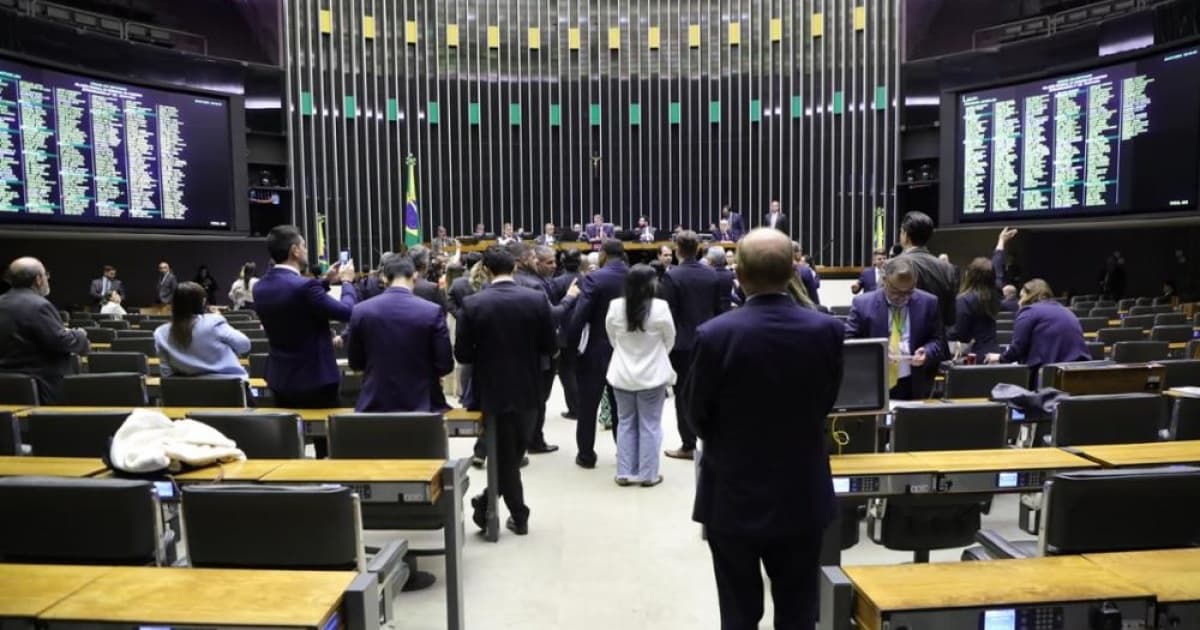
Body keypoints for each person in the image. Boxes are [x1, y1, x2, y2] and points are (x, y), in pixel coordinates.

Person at [684, 228, 844, 630]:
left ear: (738, 275)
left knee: (738, 611)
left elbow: (696, 416)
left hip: (732, 493)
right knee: (798, 609)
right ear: (793, 269)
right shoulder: (827, 330)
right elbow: (826, 400)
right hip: (801, 490)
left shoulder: (715, 335)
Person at [455, 245, 556, 537]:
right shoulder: (536, 299)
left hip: (491, 391)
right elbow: (549, 347)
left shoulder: (473, 304)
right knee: (513, 453)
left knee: (506, 455)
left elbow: (463, 355)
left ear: (485, 270)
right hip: (529, 388)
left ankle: (491, 502)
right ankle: (518, 515)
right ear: (514, 268)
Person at [253, 225, 358, 411]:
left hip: (279, 377)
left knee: (288, 435)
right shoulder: (305, 287)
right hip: (315, 379)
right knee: (325, 437)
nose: (306, 250)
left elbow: (291, 295)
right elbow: (347, 312)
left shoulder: (260, 286)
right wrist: (347, 282)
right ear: (295, 251)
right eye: (304, 246)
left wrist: (325, 281)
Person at [346, 255, 452, 412]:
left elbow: (355, 363)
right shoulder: (432, 311)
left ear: (383, 277)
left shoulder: (361, 311)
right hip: (423, 406)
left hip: (375, 405)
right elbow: (445, 365)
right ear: (414, 275)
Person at [606, 264, 675, 486]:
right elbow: (670, 339)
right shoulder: (661, 307)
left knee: (625, 422)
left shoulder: (615, 306)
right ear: (651, 283)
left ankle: (624, 472)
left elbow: (612, 338)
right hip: (652, 375)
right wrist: (654, 353)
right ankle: (648, 474)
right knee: (650, 424)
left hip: (621, 373)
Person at [845, 257, 946, 400]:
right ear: (885, 281)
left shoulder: (929, 302)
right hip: (875, 381)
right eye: (896, 291)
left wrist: (927, 352)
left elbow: (938, 340)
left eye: (909, 291)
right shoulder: (862, 304)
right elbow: (848, 342)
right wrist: (877, 352)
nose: (903, 297)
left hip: (913, 382)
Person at [658, 231, 721, 460]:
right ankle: (711, 439)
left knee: (684, 395)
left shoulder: (672, 276)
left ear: (677, 250)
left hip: (682, 344)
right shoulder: (711, 274)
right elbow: (717, 310)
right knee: (711, 391)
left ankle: (688, 444)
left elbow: (668, 314)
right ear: (698, 249)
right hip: (710, 340)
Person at [567, 239, 630, 469]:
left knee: (588, 406)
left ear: (603, 254)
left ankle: (586, 455)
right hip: (625, 349)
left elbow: (580, 315)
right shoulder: (634, 277)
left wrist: (570, 345)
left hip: (595, 349)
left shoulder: (594, 278)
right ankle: (624, 453)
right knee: (621, 407)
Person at [0, 257, 90, 403]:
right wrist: (79, 334)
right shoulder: (39, 306)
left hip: (6, 386)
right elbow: (61, 342)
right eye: (46, 275)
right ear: (38, 279)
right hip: (42, 387)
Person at [985, 279, 1091, 375]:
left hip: (1049, 376)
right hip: (1079, 372)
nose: (1019, 302)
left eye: (1021, 297)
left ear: (1028, 295)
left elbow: (1017, 349)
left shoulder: (1028, 311)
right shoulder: (1067, 311)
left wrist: (999, 358)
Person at [154, 282, 250, 379]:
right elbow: (244, 345)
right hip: (229, 388)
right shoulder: (214, 321)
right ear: (203, 302)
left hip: (184, 391)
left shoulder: (160, 332)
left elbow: (166, 373)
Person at [896, 211, 958, 327]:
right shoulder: (948, 269)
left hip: (904, 340)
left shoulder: (893, 265)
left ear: (905, 235)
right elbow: (950, 318)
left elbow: (883, 313)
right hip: (938, 340)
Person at [949, 257, 1001, 362]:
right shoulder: (995, 296)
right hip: (994, 353)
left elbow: (960, 333)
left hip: (975, 356)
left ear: (969, 275)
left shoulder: (964, 299)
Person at [553, 249, 584, 419]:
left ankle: (574, 409)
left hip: (564, 333)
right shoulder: (588, 279)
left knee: (567, 372)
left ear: (562, 263)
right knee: (581, 372)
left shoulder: (556, 282)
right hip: (585, 332)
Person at [408, 245, 448, 313]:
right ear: (424, 264)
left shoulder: (399, 286)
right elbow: (442, 314)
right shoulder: (432, 288)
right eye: (429, 260)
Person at [705, 246, 735, 313]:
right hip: (727, 311)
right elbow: (730, 295)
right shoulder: (730, 274)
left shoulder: (706, 275)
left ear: (710, 260)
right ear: (724, 259)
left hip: (712, 313)